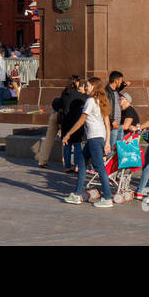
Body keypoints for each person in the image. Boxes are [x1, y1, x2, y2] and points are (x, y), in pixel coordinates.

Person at [61, 76, 114, 208]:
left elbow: (81, 121)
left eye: (88, 85)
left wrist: (68, 134)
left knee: (100, 167)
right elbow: (107, 123)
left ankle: (107, 197)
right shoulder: (101, 100)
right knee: (82, 163)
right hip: (98, 137)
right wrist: (107, 141)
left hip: (94, 138)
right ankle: (77, 194)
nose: (86, 87)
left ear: (94, 87)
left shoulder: (90, 101)